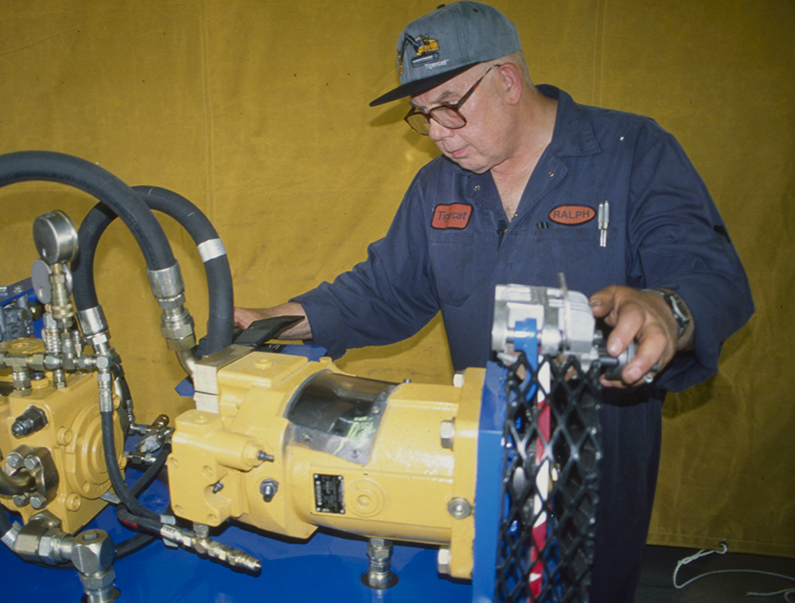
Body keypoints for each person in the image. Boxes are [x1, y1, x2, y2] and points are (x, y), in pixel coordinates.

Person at [235, 2, 754, 601]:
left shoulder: (630, 151)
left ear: (507, 80)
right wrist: (272, 322)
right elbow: (382, 292)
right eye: (423, 114)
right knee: (485, 585)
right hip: (475, 453)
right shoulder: (439, 185)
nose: (435, 132)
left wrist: (670, 309)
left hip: (594, 460)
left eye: (450, 106)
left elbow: (711, 274)